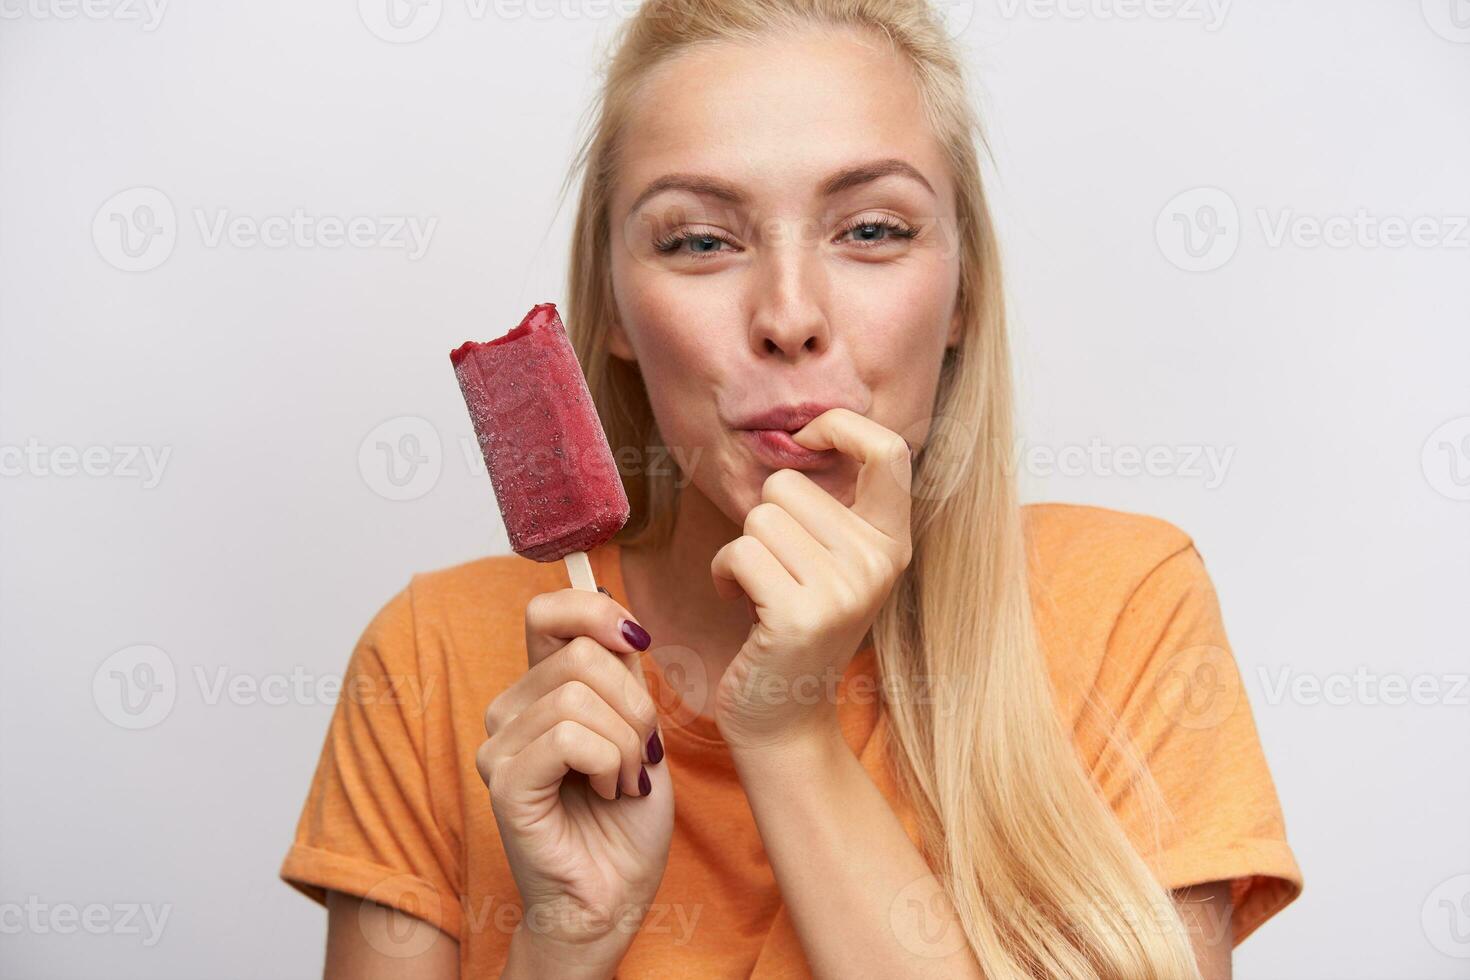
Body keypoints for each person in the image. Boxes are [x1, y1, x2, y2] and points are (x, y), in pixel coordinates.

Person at [281, 1, 1302, 976]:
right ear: (618, 320)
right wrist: (559, 946)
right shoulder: (432, 658)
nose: (788, 314)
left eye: (871, 230)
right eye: (699, 240)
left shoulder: (1120, 606)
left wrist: (786, 729)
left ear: (963, 293)